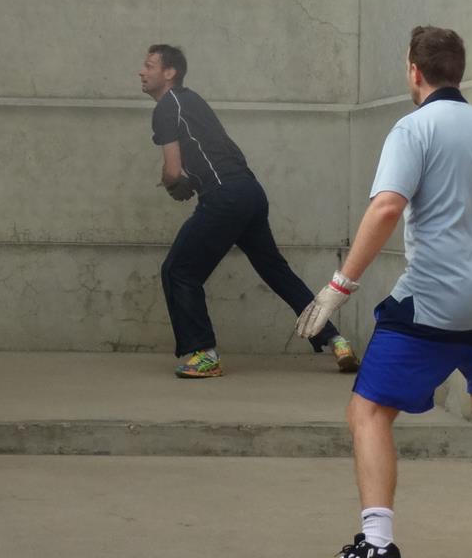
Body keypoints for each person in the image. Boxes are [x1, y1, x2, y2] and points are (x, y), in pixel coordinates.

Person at [293, 25, 472, 558]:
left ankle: (377, 548)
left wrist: (340, 286)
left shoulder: (413, 129)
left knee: (368, 412)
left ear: (414, 71)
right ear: (458, 70)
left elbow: (387, 207)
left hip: (433, 304)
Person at [140, 44, 360, 379]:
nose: (142, 72)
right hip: (250, 192)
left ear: (169, 72)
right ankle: (336, 339)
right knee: (276, 271)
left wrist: (174, 185)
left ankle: (205, 354)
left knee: (179, 270)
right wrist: (185, 182)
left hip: (224, 197)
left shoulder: (166, 107)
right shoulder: (193, 100)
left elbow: (172, 171)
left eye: (149, 65)